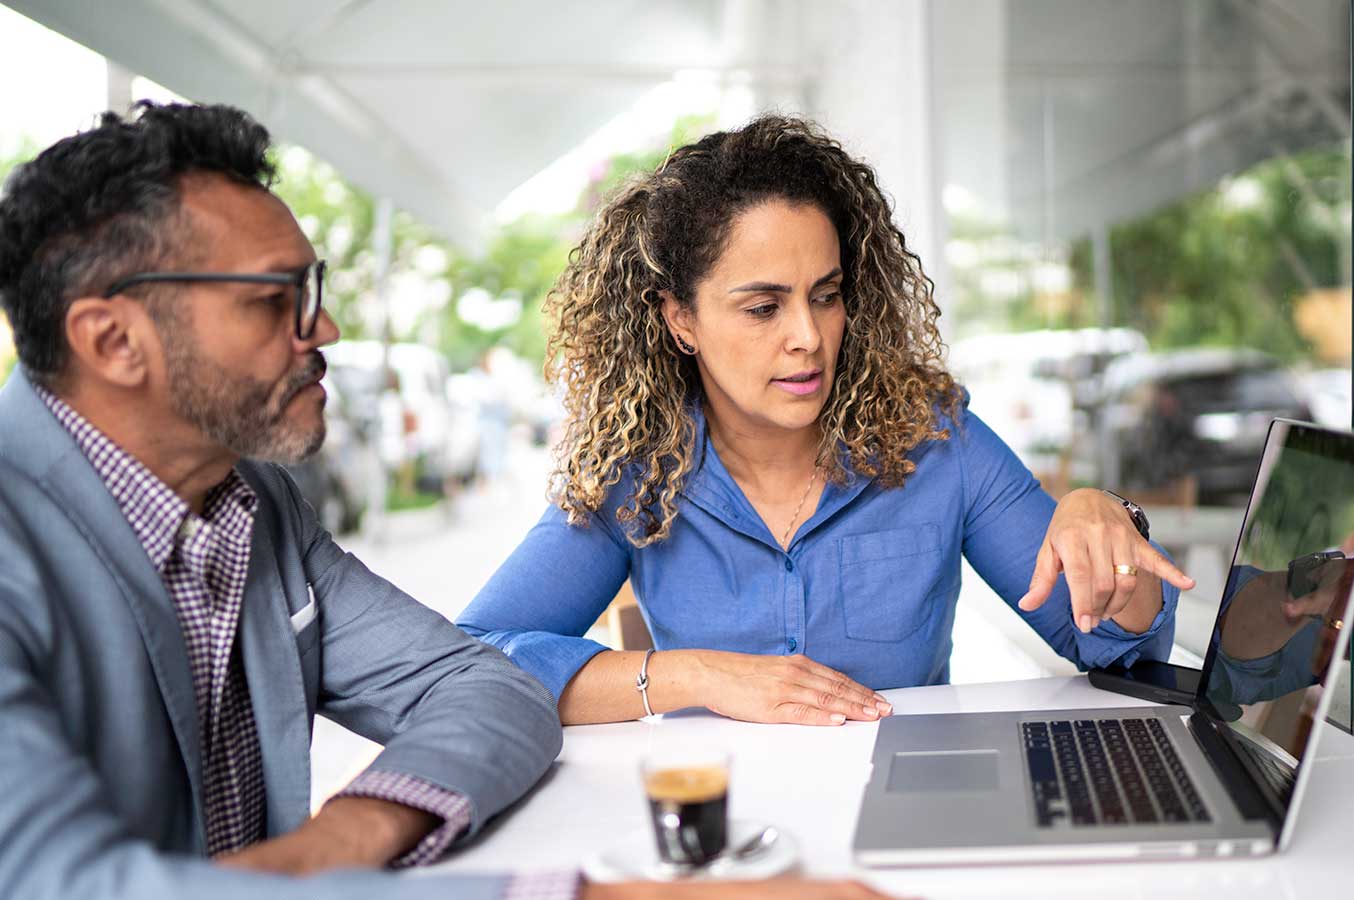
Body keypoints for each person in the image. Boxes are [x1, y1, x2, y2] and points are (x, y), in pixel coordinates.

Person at [0, 102, 892, 900]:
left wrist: (337, 843)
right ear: (112, 340)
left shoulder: (253, 506)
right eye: (276, 300)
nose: (326, 330)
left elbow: (485, 687)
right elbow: (60, 883)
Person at [458, 116, 1196, 727]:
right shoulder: (639, 471)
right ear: (681, 319)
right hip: (729, 842)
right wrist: (698, 676)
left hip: (912, 822)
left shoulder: (937, 440)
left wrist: (1108, 531)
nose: (807, 337)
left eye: (827, 294)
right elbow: (474, 660)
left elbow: (1111, 651)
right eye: (762, 306)